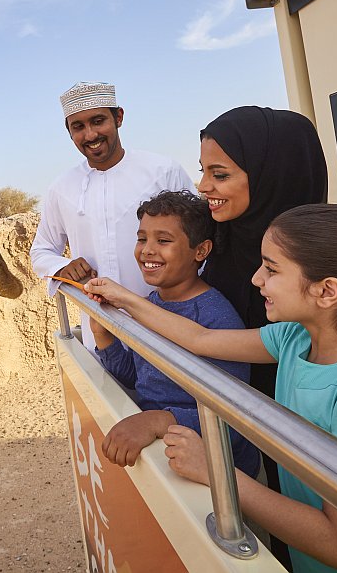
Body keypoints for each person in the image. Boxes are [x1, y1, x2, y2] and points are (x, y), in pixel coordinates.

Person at [85, 204, 337, 573]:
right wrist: (122, 299)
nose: (256, 279)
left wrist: (215, 469)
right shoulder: (293, 339)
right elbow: (200, 338)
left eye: (271, 269)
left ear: (326, 291)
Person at [197, 106, 337, 406]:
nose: (202, 187)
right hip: (227, 412)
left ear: (275, 172)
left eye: (220, 174)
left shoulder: (332, 249)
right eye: (203, 171)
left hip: (312, 423)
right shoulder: (206, 232)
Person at [89, 190, 260, 476]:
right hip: (163, 455)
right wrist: (104, 336)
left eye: (163, 240)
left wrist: (158, 421)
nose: (147, 250)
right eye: (142, 238)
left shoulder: (215, 318)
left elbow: (233, 421)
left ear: (201, 251)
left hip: (220, 478)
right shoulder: (150, 305)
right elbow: (140, 377)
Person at [30, 81, 194, 350]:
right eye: (78, 127)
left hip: (168, 325)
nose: (90, 134)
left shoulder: (162, 170)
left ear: (118, 117)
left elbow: (200, 240)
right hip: (102, 332)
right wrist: (61, 267)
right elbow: (41, 251)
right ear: (68, 131)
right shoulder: (61, 188)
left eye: (98, 121)